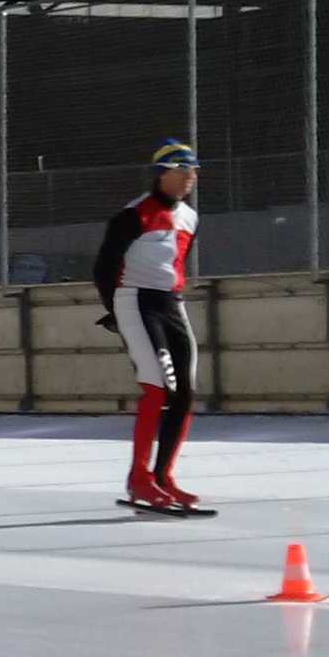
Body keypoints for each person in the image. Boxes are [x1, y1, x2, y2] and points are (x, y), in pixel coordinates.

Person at [93, 140, 210, 516]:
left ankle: (162, 477)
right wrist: (114, 310)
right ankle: (139, 479)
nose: (191, 177)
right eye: (185, 170)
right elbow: (103, 267)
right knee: (157, 388)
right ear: (164, 173)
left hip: (170, 304)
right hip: (135, 301)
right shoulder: (134, 216)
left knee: (185, 392)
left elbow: (175, 265)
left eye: (194, 171)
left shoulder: (190, 217)